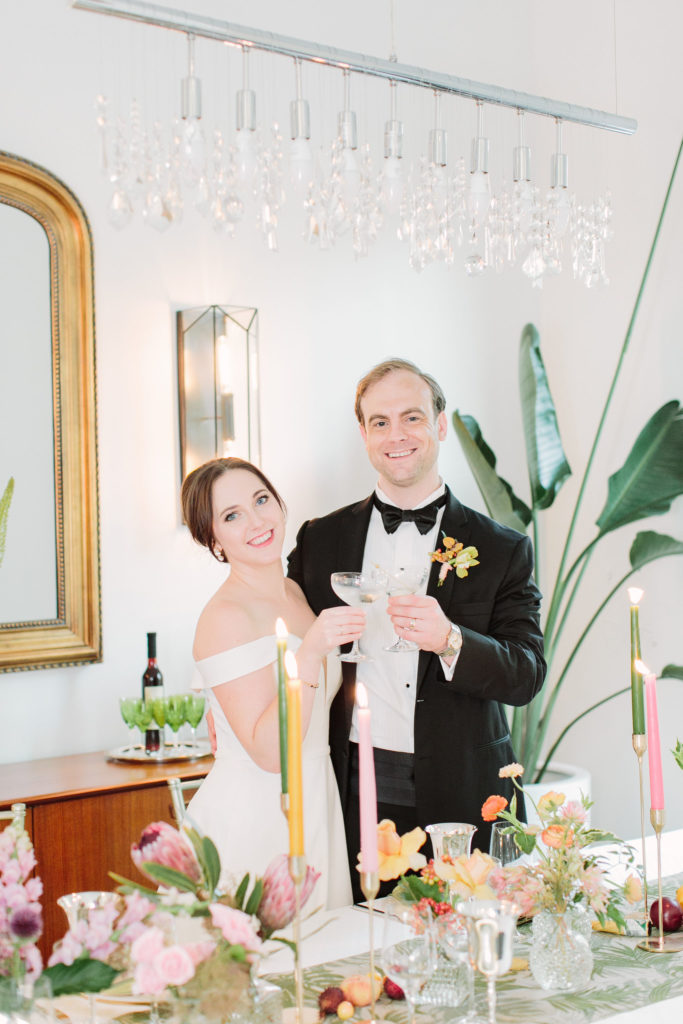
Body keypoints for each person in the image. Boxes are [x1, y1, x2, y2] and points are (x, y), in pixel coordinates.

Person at [288, 358, 546, 901]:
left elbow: (526, 674)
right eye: (379, 421)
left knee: (467, 952)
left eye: (411, 417)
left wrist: (451, 640)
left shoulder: (502, 548)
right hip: (351, 782)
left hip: (465, 789)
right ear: (363, 433)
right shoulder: (319, 540)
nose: (396, 435)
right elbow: (284, 640)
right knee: (361, 954)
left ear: (440, 424)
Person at [181, 456, 364, 908]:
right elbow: (268, 751)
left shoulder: (296, 592)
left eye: (261, 499)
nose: (257, 520)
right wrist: (311, 650)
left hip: (316, 797)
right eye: (231, 515)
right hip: (258, 814)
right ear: (212, 538)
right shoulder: (224, 616)